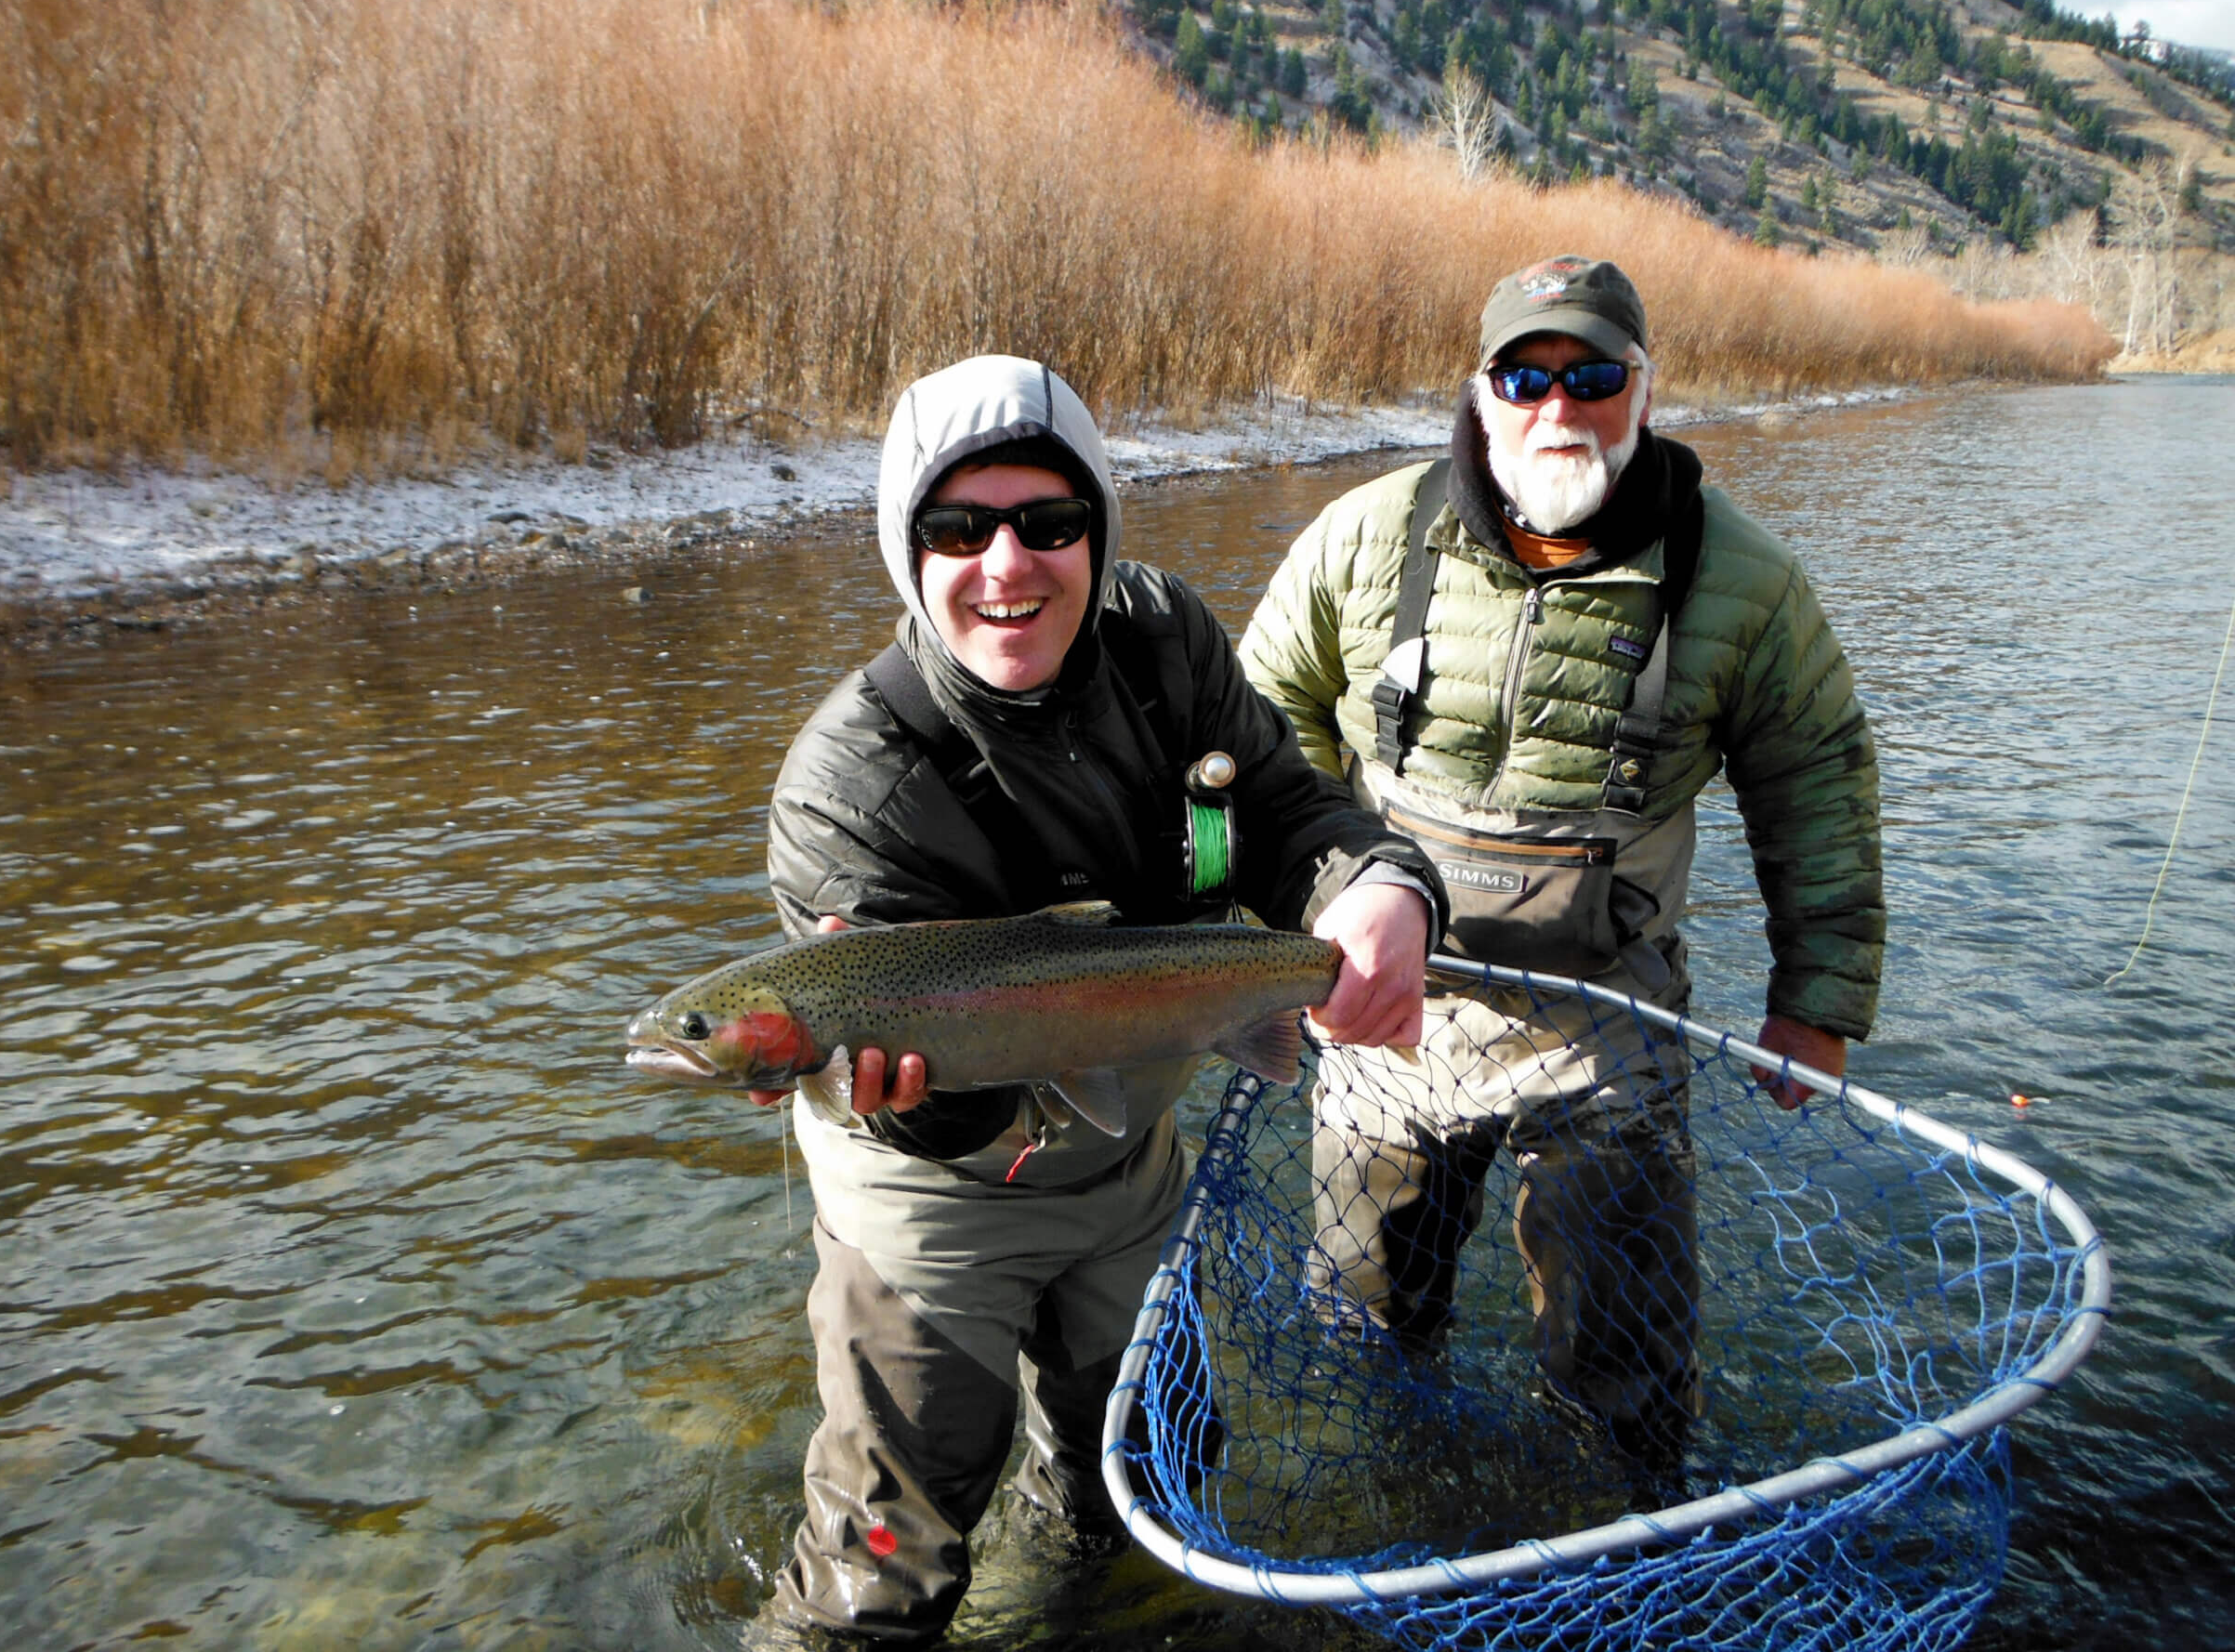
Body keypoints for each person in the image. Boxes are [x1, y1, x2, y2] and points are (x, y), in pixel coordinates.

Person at [749, 353, 1440, 1647]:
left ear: (1098, 531)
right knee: (886, 1559)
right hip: (937, 1200)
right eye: (960, 528)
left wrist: (1379, 885)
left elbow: (1292, 813)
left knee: (1154, 1465)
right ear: (910, 553)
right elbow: (911, 1105)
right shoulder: (849, 783)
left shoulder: (1164, 641)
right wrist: (924, 1113)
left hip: (1129, 1151)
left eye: (1049, 523)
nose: (1008, 564)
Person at [1237, 256, 1884, 1484]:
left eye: (1592, 374)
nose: (1558, 406)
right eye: (1524, 374)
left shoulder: (1744, 580)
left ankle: (1607, 1545)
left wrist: (1819, 1004)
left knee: (1623, 1385)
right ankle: (1390, 1518)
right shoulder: (1365, 535)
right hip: (1386, 1024)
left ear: (1645, 390)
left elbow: (1820, 785)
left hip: (1609, 1036)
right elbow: (1258, 734)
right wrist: (1303, 911)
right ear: (1480, 393)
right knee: (1359, 1340)